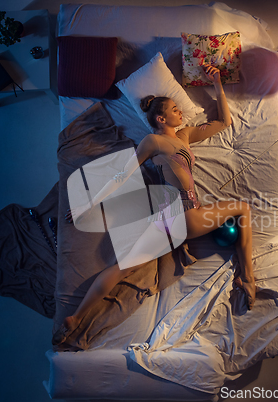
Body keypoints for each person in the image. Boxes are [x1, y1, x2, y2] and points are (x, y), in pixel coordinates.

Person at [54, 64, 255, 346]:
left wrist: (217, 83)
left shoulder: (185, 136)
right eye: (174, 109)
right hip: (184, 217)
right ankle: (248, 277)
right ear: (160, 118)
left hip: (171, 222)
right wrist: (90, 202)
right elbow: (123, 174)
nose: (180, 112)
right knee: (243, 208)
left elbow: (224, 123)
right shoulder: (153, 141)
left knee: (122, 267)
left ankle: (77, 317)